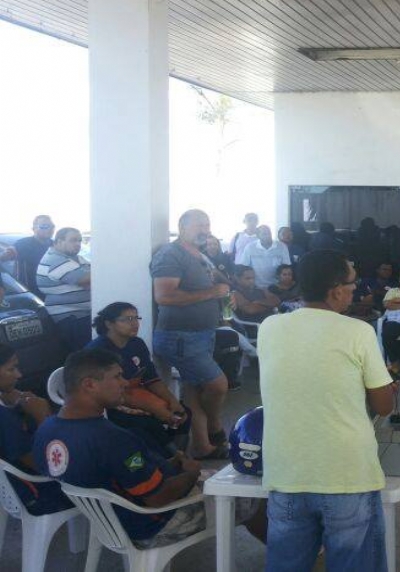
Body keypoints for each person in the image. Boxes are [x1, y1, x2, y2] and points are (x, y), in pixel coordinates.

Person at [33, 349, 265, 550]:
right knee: (253, 496)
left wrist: (171, 465)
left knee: (214, 478)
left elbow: (106, 472)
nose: (125, 383)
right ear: (89, 384)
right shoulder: (112, 438)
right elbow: (158, 498)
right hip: (150, 524)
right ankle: (282, 561)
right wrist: (192, 472)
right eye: (117, 376)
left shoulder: (47, 429)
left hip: (107, 521)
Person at [257, 250, 395, 572]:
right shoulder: (357, 331)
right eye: (352, 284)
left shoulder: (269, 327)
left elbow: (302, 379)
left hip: (286, 473)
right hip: (345, 474)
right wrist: (386, 387)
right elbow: (383, 405)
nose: (355, 290)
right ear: (335, 290)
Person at [150, 209, 231, 460]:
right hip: (180, 337)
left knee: (193, 390)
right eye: (199, 225)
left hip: (200, 334)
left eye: (207, 225)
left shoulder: (199, 254)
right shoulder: (170, 254)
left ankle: (201, 446)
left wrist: (226, 293)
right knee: (217, 385)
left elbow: (210, 284)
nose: (205, 230)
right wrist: (213, 293)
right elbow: (164, 296)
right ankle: (215, 426)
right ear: (182, 227)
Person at [84, 303, 190, 457]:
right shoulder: (98, 350)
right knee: (146, 423)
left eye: (136, 318)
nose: (135, 323)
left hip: (137, 396)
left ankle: (177, 457)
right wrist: (155, 408)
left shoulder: (137, 344)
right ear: (109, 324)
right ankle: (167, 461)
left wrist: (172, 401)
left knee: (182, 413)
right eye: (127, 319)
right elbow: (109, 392)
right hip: (111, 405)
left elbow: (151, 379)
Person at [0, 343, 73, 516]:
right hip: (38, 492)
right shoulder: (5, 419)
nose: (19, 374)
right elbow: (46, 465)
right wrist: (42, 417)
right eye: (11, 369)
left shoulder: (7, 404)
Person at [36, 226, 92, 352]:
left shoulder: (76, 258)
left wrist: (89, 279)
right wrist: (88, 279)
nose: (78, 244)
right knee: (86, 356)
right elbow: (85, 279)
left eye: (79, 240)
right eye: (73, 240)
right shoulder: (54, 259)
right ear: (59, 241)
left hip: (83, 315)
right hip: (72, 317)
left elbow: (92, 277)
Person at [14, 215, 54, 296]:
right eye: (44, 226)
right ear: (33, 229)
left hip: (52, 293)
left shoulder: (55, 245)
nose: (50, 229)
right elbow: (6, 255)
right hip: (28, 294)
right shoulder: (22, 244)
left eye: (52, 226)